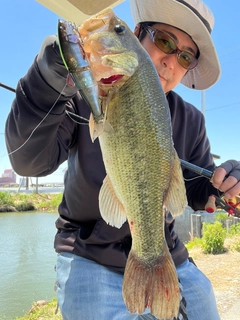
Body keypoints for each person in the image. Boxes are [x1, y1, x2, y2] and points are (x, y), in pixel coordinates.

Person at [5, 0, 240, 319]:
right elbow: (29, 162)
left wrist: (222, 186)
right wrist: (48, 78)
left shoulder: (190, 119)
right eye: (165, 42)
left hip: (165, 253)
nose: (171, 60)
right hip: (89, 255)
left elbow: (196, 190)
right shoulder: (84, 94)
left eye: (185, 56)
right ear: (137, 34)